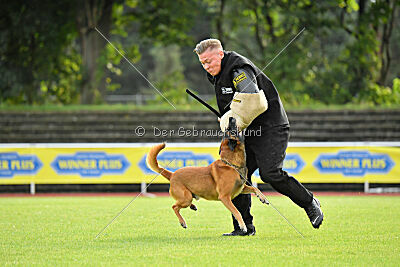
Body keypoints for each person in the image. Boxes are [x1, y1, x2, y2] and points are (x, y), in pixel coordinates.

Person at [194, 38, 324, 236]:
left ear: (221, 54)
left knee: (270, 174)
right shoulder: (216, 74)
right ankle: (244, 227)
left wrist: (232, 118)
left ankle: (309, 202)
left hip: (271, 127)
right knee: (235, 173)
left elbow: (254, 100)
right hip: (249, 130)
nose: (206, 66)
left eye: (209, 61)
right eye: (202, 63)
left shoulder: (239, 70)